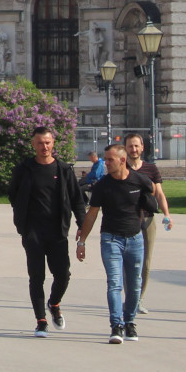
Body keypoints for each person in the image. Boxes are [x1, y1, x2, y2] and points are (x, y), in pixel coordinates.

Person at [8, 125, 86, 337]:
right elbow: (13, 195)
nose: (44, 147)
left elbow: (78, 200)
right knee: (37, 276)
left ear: (53, 144)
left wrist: (82, 225)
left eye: (48, 142)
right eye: (40, 143)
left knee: (63, 274)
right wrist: (22, 219)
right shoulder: (24, 169)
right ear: (33, 144)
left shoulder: (63, 170)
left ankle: (55, 303)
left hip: (57, 232)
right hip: (32, 231)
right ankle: (41, 320)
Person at [75, 143, 157, 343]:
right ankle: (116, 325)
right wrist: (82, 241)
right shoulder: (103, 185)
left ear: (122, 160)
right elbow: (92, 213)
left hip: (135, 239)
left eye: (110, 159)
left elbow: (153, 193)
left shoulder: (139, 181)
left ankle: (129, 322)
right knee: (114, 283)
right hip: (111, 239)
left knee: (134, 284)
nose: (106, 163)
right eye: (105, 159)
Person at [122, 132, 171, 314]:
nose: (134, 149)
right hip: (128, 220)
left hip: (148, 218)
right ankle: (130, 300)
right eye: (130, 146)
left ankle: (139, 298)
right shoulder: (122, 167)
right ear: (125, 149)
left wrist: (167, 214)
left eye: (136, 146)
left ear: (142, 148)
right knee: (129, 262)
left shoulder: (151, 169)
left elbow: (159, 194)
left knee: (146, 262)